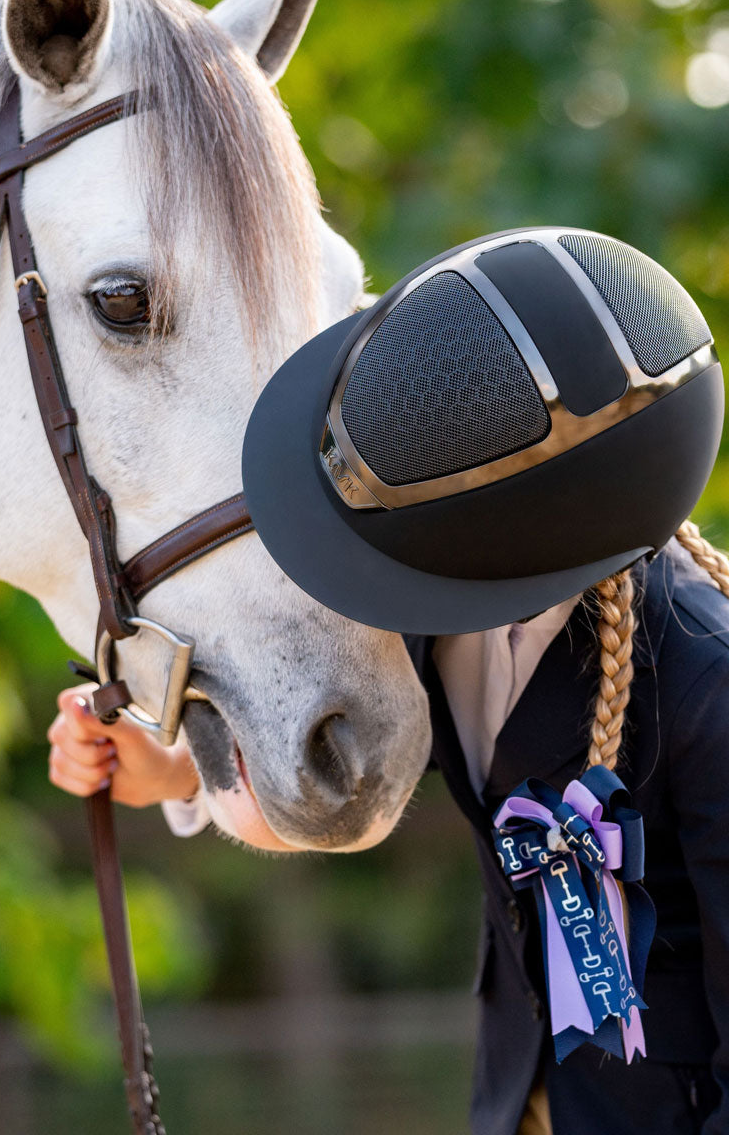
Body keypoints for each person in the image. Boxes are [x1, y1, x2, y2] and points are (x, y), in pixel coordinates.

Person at [49, 227, 729, 1134]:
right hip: (509, 1102)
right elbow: (345, 744)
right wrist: (173, 767)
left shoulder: (704, 691)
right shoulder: (433, 594)